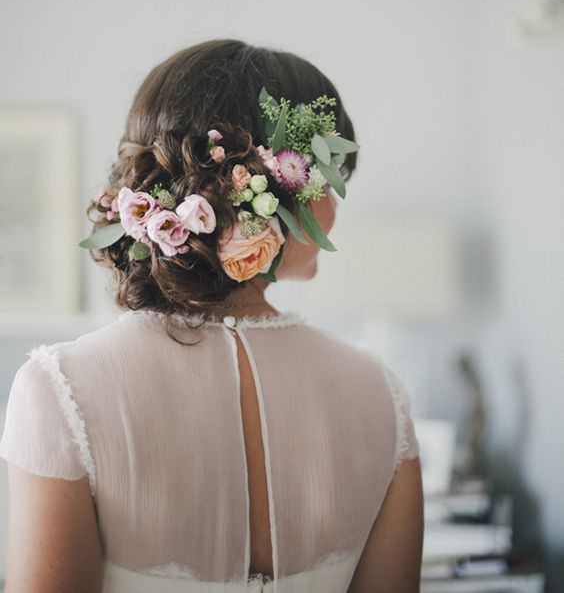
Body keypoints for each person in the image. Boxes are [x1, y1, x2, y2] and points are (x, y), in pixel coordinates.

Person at [0, 39, 423, 592]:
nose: (334, 209)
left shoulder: (61, 390)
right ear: (275, 190)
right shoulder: (380, 396)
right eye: (329, 179)